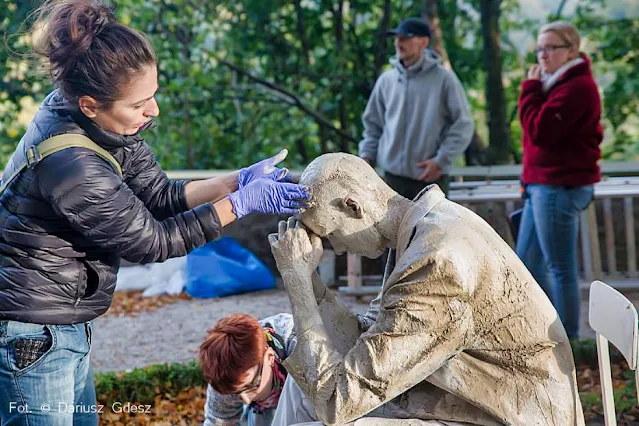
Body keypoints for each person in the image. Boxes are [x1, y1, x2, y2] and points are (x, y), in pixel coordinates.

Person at [0, 1, 310, 425]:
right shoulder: (73, 165)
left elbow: (159, 193)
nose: (154, 111)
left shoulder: (98, 122)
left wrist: (235, 181)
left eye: (153, 95)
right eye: (140, 103)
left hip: (62, 325)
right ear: (91, 104)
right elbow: (151, 241)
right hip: (32, 334)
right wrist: (239, 205)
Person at [268, 153, 584, 425]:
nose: (335, 249)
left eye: (330, 233)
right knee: (302, 387)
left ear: (353, 207)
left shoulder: (436, 261)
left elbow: (338, 401)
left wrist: (297, 284)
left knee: (319, 404)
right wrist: (311, 281)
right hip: (463, 398)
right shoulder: (419, 228)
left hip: (508, 416)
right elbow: (370, 341)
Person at [516, 21, 602, 339]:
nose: (543, 55)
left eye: (551, 48)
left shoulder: (577, 87)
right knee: (527, 264)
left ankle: (569, 338)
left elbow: (540, 133)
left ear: (572, 50)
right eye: (539, 48)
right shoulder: (554, 83)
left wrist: (529, 91)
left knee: (560, 268)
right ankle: (545, 330)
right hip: (540, 185)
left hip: (559, 187)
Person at [358, 17, 474, 199]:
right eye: (396, 38)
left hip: (431, 179)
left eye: (405, 38)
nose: (398, 43)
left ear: (424, 42)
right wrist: (366, 157)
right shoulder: (386, 80)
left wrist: (441, 160)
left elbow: (463, 125)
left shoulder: (444, 79)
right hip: (391, 179)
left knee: (432, 229)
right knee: (391, 229)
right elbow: (373, 125)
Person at [199, 313, 296, 426]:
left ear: (269, 357)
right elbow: (219, 421)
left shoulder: (299, 347)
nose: (246, 399)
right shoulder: (225, 376)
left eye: (250, 386)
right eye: (237, 393)